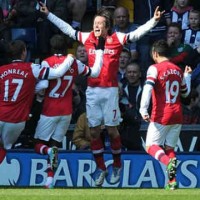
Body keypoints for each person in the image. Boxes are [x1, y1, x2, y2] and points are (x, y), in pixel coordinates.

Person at [39, 2, 164, 186]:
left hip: (111, 91)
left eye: (99, 23)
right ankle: (101, 168)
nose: (96, 26)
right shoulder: (87, 37)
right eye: (94, 23)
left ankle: (117, 165)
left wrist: (153, 21)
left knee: (112, 131)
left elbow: (136, 34)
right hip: (92, 91)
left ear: (107, 27)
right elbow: (67, 29)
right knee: (94, 132)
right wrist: (49, 14)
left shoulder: (117, 38)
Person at [34, 34, 105, 189]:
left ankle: (48, 153)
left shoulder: (47, 62)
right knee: (55, 145)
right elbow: (95, 72)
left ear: (52, 47)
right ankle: (49, 181)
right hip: (66, 111)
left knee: (39, 145)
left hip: (50, 109)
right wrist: (99, 53)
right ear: (67, 47)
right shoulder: (75, 63)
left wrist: (35, 93)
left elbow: (44, 85)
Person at [0, 39, 78, 165]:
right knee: (4, 147)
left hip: (1, 114)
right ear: (24, 52)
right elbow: (56, 73)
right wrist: (69, 59)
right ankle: (49, 165)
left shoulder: (1, 70)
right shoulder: (32, 68)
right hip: (16, 120)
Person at [139, 39, 192, 190]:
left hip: (162, 114)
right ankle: (172, 182)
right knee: (169, 149)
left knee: (150, 146)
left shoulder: (154, 68)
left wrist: (143, 109)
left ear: (155, 54)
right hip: (177, 115)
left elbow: (148, 89)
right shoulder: (177, 70)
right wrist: (187, 76)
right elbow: (185, 93)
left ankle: (168, 163)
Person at [119, 61, 144, 151]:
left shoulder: (146, 89)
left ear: (140, 74)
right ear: (125, 74)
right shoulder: (120, 89)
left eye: (134, 72)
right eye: (129, 72)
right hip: (124, 128)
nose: (132, 75)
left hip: (143, 126)